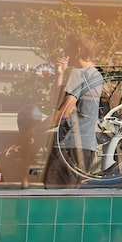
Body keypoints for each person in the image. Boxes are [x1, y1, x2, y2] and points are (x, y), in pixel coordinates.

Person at [43, 33, 104, 186]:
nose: (66, 54)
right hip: (85, 147)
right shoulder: (95, 74)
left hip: (68, 146)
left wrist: (33, 132)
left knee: (52, 197)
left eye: (67, 49)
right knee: (69, 197)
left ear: (77, 50)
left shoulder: (78, 73)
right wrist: (60, 75)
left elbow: (63, 112)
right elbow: (63, 103)